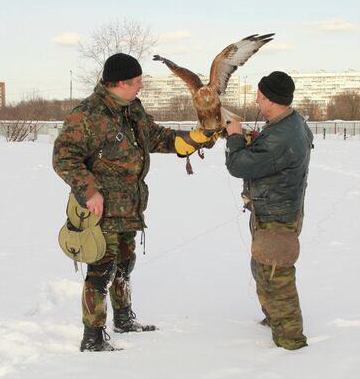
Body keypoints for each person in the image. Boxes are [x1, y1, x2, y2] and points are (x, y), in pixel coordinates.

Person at [52, 53, 214, 352]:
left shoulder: (132, 109)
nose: (141, 87)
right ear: (120, 83)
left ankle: (123, 319)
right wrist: (89, 191)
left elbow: (157, 138)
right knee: (101, 271)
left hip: (129, 207)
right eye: (137, 82)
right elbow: (64, 157)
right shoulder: (88, 114)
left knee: (125, 265)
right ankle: (93, 336)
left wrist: (195, 138)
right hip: (101, 211)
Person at [224, 71, 313, 350]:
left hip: (277, 218)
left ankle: (291, 342)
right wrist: (255, 140)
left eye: (260, 97)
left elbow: (237, 165)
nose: (257, 101)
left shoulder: (281, 135)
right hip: (276, 212)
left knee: (277, 277)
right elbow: (272, 156)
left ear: (272, 100)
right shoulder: (290, 122)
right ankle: (275, 318)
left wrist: (236, 138)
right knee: (262, 267)